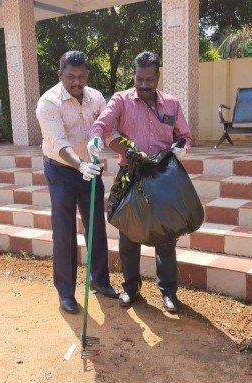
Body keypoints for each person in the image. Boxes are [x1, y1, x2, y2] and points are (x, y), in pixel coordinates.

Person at [87, 51, 191, 313]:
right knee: (129, 234)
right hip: (131, 174)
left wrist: (182, 147)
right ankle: (131, 288)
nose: (144, 85)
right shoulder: (121, 100)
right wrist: (95, 137)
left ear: (158, 76)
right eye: (139, 79)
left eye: (150, 79)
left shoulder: (171, 103)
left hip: (163, 176)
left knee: (166, 235)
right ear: (133, 76)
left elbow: (185, 135)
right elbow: (101, 124)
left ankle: (168, 292)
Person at [36, 50, 118, 314]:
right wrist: (79, 164)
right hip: (61, 171)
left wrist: (120, 148)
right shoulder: (48, 103)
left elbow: (107, 130)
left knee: (96, 226)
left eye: (82, 76)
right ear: (60, 75)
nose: (77, 82)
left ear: (88, 75)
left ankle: (100, 281)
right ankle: (66, 292)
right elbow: (58, 143)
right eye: (71, 76)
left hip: (91, 169)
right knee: (64, 231)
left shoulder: (96, 97)